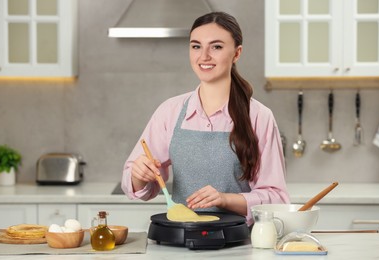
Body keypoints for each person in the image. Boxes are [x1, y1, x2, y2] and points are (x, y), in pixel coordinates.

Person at [121, 11, 289, 226]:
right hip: (181, 241)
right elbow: (137, 188)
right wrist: (139, 174)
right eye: (196, 46)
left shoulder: (258, 116)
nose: (204, 57)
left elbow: (277, 198)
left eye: (216, 47)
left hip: (239, 244)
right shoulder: (169, 112)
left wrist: (225, 199)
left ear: (237, 53)